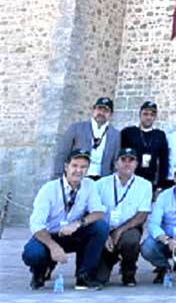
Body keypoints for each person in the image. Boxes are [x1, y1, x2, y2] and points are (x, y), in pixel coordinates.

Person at [23, 149, 109, 290]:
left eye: (83, 167)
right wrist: (53, 246)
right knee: (32, 254)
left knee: (100, 227)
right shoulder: (48, 189)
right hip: (49, 235)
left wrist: (79, 223)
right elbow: (36, 225)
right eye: (74, 166)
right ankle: (40, 273)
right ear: (66, 167)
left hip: (74, 234)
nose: (78, 171)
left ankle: (84, 276)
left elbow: (99, 212)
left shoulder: (89, 185)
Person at [95, 148, 152, 286]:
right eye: (123, 160)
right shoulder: (100, 184)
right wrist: (105, 234)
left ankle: (128, 270)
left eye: (131, 160)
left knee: (131, 239)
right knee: (99, 279)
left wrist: (119, 231)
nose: (127, 164)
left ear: (136, 164)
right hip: (104, 230)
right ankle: (108, 260)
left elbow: (142, 215)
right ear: (116, 164)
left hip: (128, 229)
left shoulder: (145, 185)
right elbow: (93, 211)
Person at [53, 97, 120, 180]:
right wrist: (58, 176)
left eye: (106, 110)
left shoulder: (115, 135)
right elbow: (62, 154)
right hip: (77, 176)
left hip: (101, 179)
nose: (101, 113)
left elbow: (116, 162)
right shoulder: (76, 128)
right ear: (93, 110)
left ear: (111, 114)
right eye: (99, 109)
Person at [120, 101, 169, 191]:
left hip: (150, 181)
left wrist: (161, 184)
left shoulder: (160, 135)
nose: (148, 117)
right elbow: (119, 156)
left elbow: (164, 161)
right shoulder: (128, 133)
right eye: (145, 114)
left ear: (155, 117)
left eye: (152, 114)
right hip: (129, 178)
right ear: (140, 115)